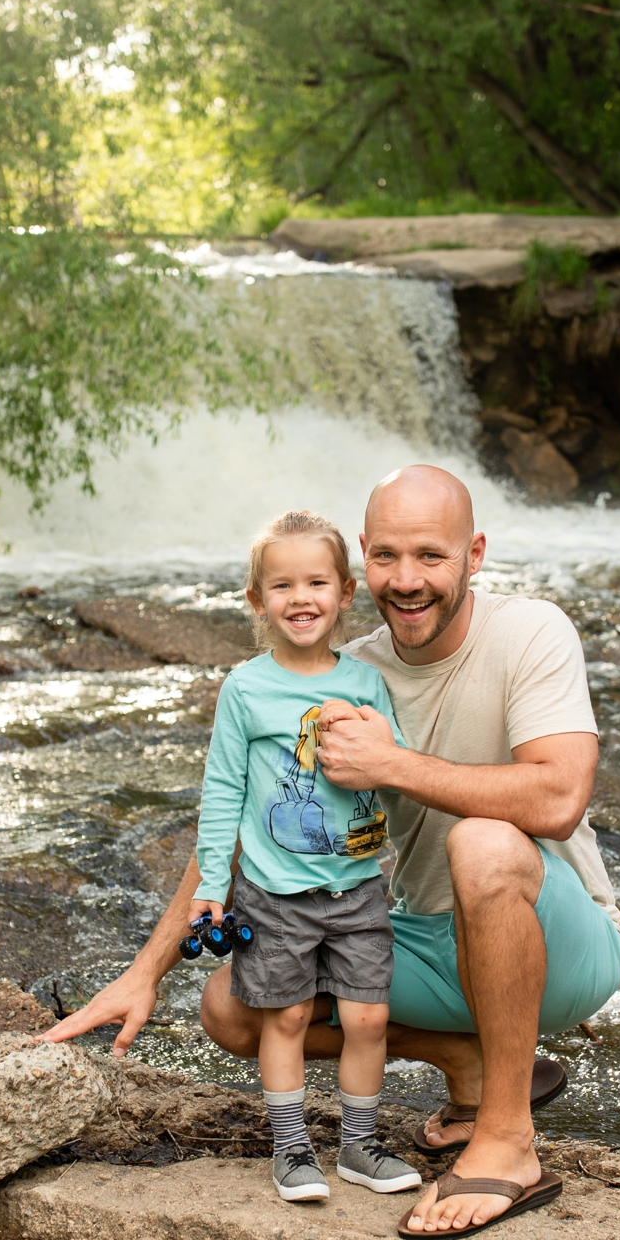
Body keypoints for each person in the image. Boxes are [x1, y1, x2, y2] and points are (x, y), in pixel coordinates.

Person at [45, 466, 620, 1240]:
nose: (407, 580)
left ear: (475, 553)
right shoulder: (338, 672)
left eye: (431, 556)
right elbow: (248, 821)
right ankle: (471, 1061)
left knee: (481, 843)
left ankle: (509, 1142)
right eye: (387, 556)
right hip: (429, 938)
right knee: (232, 1005)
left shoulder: (530, 631)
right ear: (360, 563)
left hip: (559, 938)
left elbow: (559, 798)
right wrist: (145, 970)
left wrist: (390, 765)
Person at [187, 508, 422, 1202]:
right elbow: (223, 787)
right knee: (285, 1016)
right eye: (282, 585)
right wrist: (209, 881)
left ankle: (359, 1145)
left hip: (356, 886)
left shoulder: (364, 684)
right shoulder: (246, 689)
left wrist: (381, 751)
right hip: (274, 889)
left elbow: (394, 771)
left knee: (368, 1017)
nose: (301, 598)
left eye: (316, 581)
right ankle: (292, 1149)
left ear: (345, 592)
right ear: (258, 601)